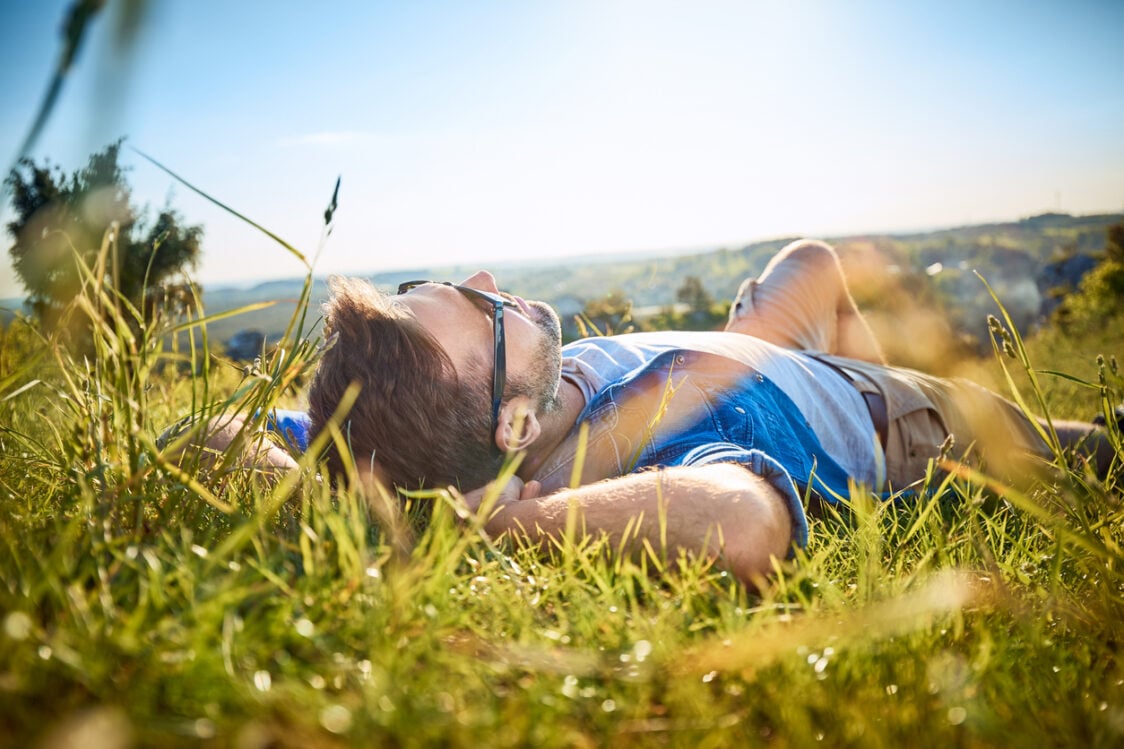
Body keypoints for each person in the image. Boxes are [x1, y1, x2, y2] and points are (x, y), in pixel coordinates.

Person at [219, 240, 1113, 585]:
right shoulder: (634, 463)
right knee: (1088, 451)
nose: (492, 280)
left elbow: (212, 434)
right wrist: (500, 527)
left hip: (763, 348)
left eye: (446, 287)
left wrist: (323, 496)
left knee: (812, 260)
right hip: (885, 415)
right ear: (514, 431)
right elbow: (737, 525)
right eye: (483, 311)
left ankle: (839, 363)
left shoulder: (391, 438)